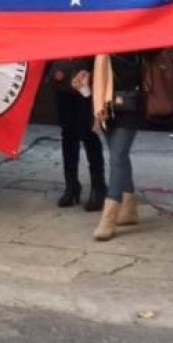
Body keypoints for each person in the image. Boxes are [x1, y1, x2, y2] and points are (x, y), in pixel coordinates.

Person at [91, 52, 144, 241]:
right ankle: (129, 209)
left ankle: (109, 216)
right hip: (104, 105)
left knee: (118, 155)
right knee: (118, 155)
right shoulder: (99, 39)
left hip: (130, 104)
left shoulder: (136, 39)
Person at [47, 57, 107, 211]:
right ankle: (71, 185)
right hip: (62, 79)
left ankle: (98, 187)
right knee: (68, 133)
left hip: (87, 78)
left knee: (88, 133)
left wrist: (92, 72)